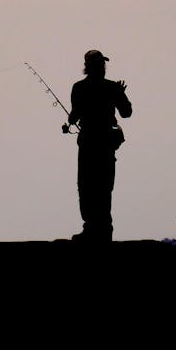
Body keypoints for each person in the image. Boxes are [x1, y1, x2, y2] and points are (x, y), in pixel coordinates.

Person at [66, 49, 132, 242]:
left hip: (94, 143)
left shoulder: (81, 88)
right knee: (96, 187)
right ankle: (98, 230)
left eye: (102, 64)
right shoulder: (109, 88)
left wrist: (120, 96)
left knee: (93, 187)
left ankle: (96, 230)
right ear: (89, 66)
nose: (101, 67)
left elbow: (73, 117)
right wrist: (119, 95)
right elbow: (127, 113)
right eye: (98, 64)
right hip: (99, 143)